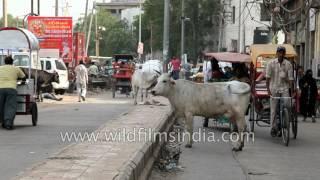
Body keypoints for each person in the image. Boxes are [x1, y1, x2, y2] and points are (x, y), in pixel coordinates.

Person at [266, 46, 294, 137]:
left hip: (285, 88)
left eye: (282, 52)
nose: (281, 54)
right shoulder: (271, 63)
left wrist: (292, 91)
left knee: (287, 104)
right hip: (273, 88)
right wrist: (268, 90)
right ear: (277, 53)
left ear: (284, 54)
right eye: (279, 52)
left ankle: (285, 123)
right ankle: (273, 128)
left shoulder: (288, 64)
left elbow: (290, 79)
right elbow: (267, 78)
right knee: (273, 109)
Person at [0, 56, 26, 130]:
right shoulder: (16, 68)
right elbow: (24, 77)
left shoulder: (0, 68)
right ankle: (8, 123)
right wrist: (17, 79)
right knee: (10, 106)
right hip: (11, 89)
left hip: (0, 89)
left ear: (4, 62)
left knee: (1, 105)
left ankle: (2, 121)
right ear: (12, 62)